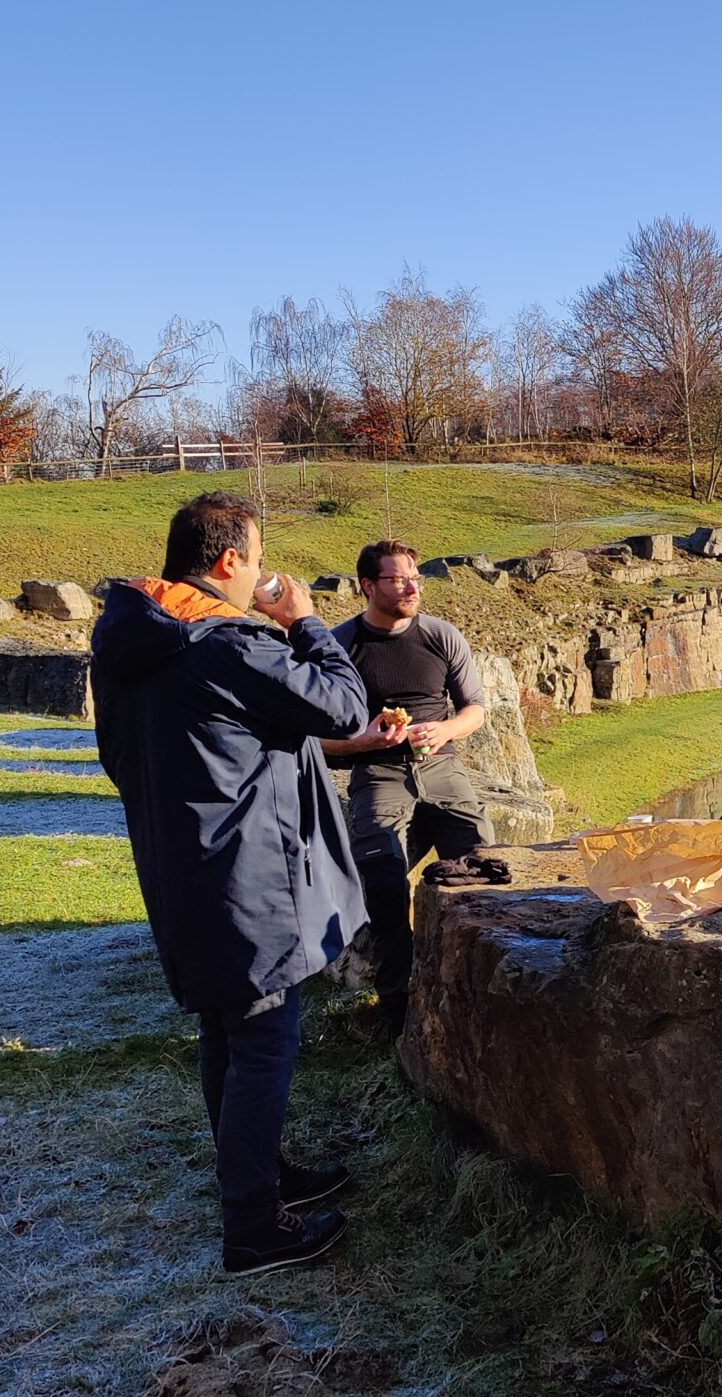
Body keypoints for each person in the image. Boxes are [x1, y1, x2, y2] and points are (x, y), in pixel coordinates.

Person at [93, 492, 372, 1277]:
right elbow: (343, 705)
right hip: (246, 877)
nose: (258, 575)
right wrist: (308, 621)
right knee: (263, 1037)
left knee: (225, 1029)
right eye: (255, 558)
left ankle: (258, 1173)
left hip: (181, 869)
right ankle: (253, 1225)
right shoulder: (225, 644)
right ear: (227, 562)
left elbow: (118, 758)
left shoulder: (129, 640)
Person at [321, 539, 492, 1035]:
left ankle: (476, 994)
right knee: (383, 886)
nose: (411, 586)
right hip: (376, 774)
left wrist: (444, 730)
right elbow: (314, 738)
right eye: (397, 579)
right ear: (368, 586)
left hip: (443, 767)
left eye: (414, 577)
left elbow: (474, 709)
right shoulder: (339, 646)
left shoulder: (441, 635)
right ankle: (398, 1008)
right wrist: (363, 741)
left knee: (484, 868)